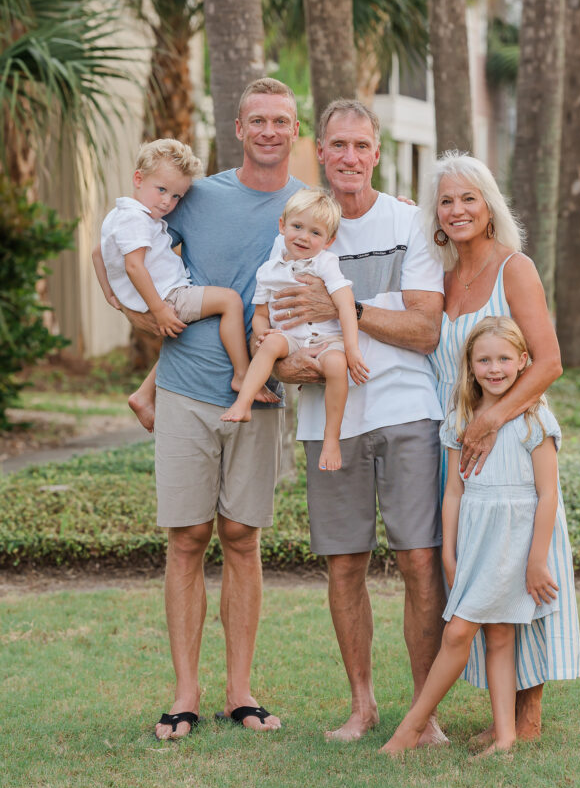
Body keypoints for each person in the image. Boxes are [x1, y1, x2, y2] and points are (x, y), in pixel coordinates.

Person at [93, 77, 303, 739]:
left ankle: (240, 691)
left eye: (281, 121)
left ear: (295, 131)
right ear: (238, 128)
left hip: (261, 393)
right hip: (185, 386)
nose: (269, 131)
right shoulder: (197, 194)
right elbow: (116, 245)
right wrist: (131, 310)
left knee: (242, 538)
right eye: (257, 120)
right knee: (186, 539)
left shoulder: (308, 204)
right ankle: (185, 692)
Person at [273, 99, 447, 744]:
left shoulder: (409, 223)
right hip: (329, 422)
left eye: (361, 146)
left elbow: (425, 330)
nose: (349, 157)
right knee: (344, 565)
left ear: (376, 152)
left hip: (407, 410)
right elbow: (277, 331)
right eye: (338, 145)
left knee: (419, 561)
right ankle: (363, 706)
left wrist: (343, 308)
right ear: (320, 151)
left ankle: (423, 715)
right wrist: (290, 365)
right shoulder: (296, 228)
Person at [424, 151, 580, 746]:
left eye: (469, 198)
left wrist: (490, 419)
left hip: (510, 437)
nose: (458, 210)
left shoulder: (515, 268)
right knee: (483, 574)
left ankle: (526, 715)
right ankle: (503, 715)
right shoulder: (441, 279)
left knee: (523, 569)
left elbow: (549, 361)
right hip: (458, 445)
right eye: (446, 201)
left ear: (489, 207)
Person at [381, 317, 579, 756]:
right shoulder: (460, 419)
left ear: (523, 361)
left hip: (515, 543)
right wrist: (449, 553)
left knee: (458, 634)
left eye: (504, 359)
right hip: (476, 540)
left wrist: (536, 560)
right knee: (498, 636)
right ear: (469, 366)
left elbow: (548, 495)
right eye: (484, 360)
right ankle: (505, 737)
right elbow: (453, 492)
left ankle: (411, 728)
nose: (494, 369)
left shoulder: (535, 420)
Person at [94, 138, 276, 407]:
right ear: (138, 178)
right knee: (230, 301)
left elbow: (97, 253)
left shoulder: (118, 214)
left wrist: (111, 293)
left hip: (163, 296)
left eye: (176, 196)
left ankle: (144, 395)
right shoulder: (136, 219)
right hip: (168, 297)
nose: (167, 202)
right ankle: (241, 375)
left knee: (198, 326)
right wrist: (158, 309)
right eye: (161, 190)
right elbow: (134, 266)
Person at [221, 187, 369, 471]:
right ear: (282, 226)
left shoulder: (324, 263)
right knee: (270, 344)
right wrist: (263, 332)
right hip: (290, 337)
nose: (303, 237)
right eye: (297, 226)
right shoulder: (268, 271)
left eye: (315, 232)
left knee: (337, 365)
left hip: (326, 338)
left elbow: (346, 306)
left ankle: (331, 439)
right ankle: (243, 402)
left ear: (329, 241)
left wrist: (351, 349)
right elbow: (260, 314)